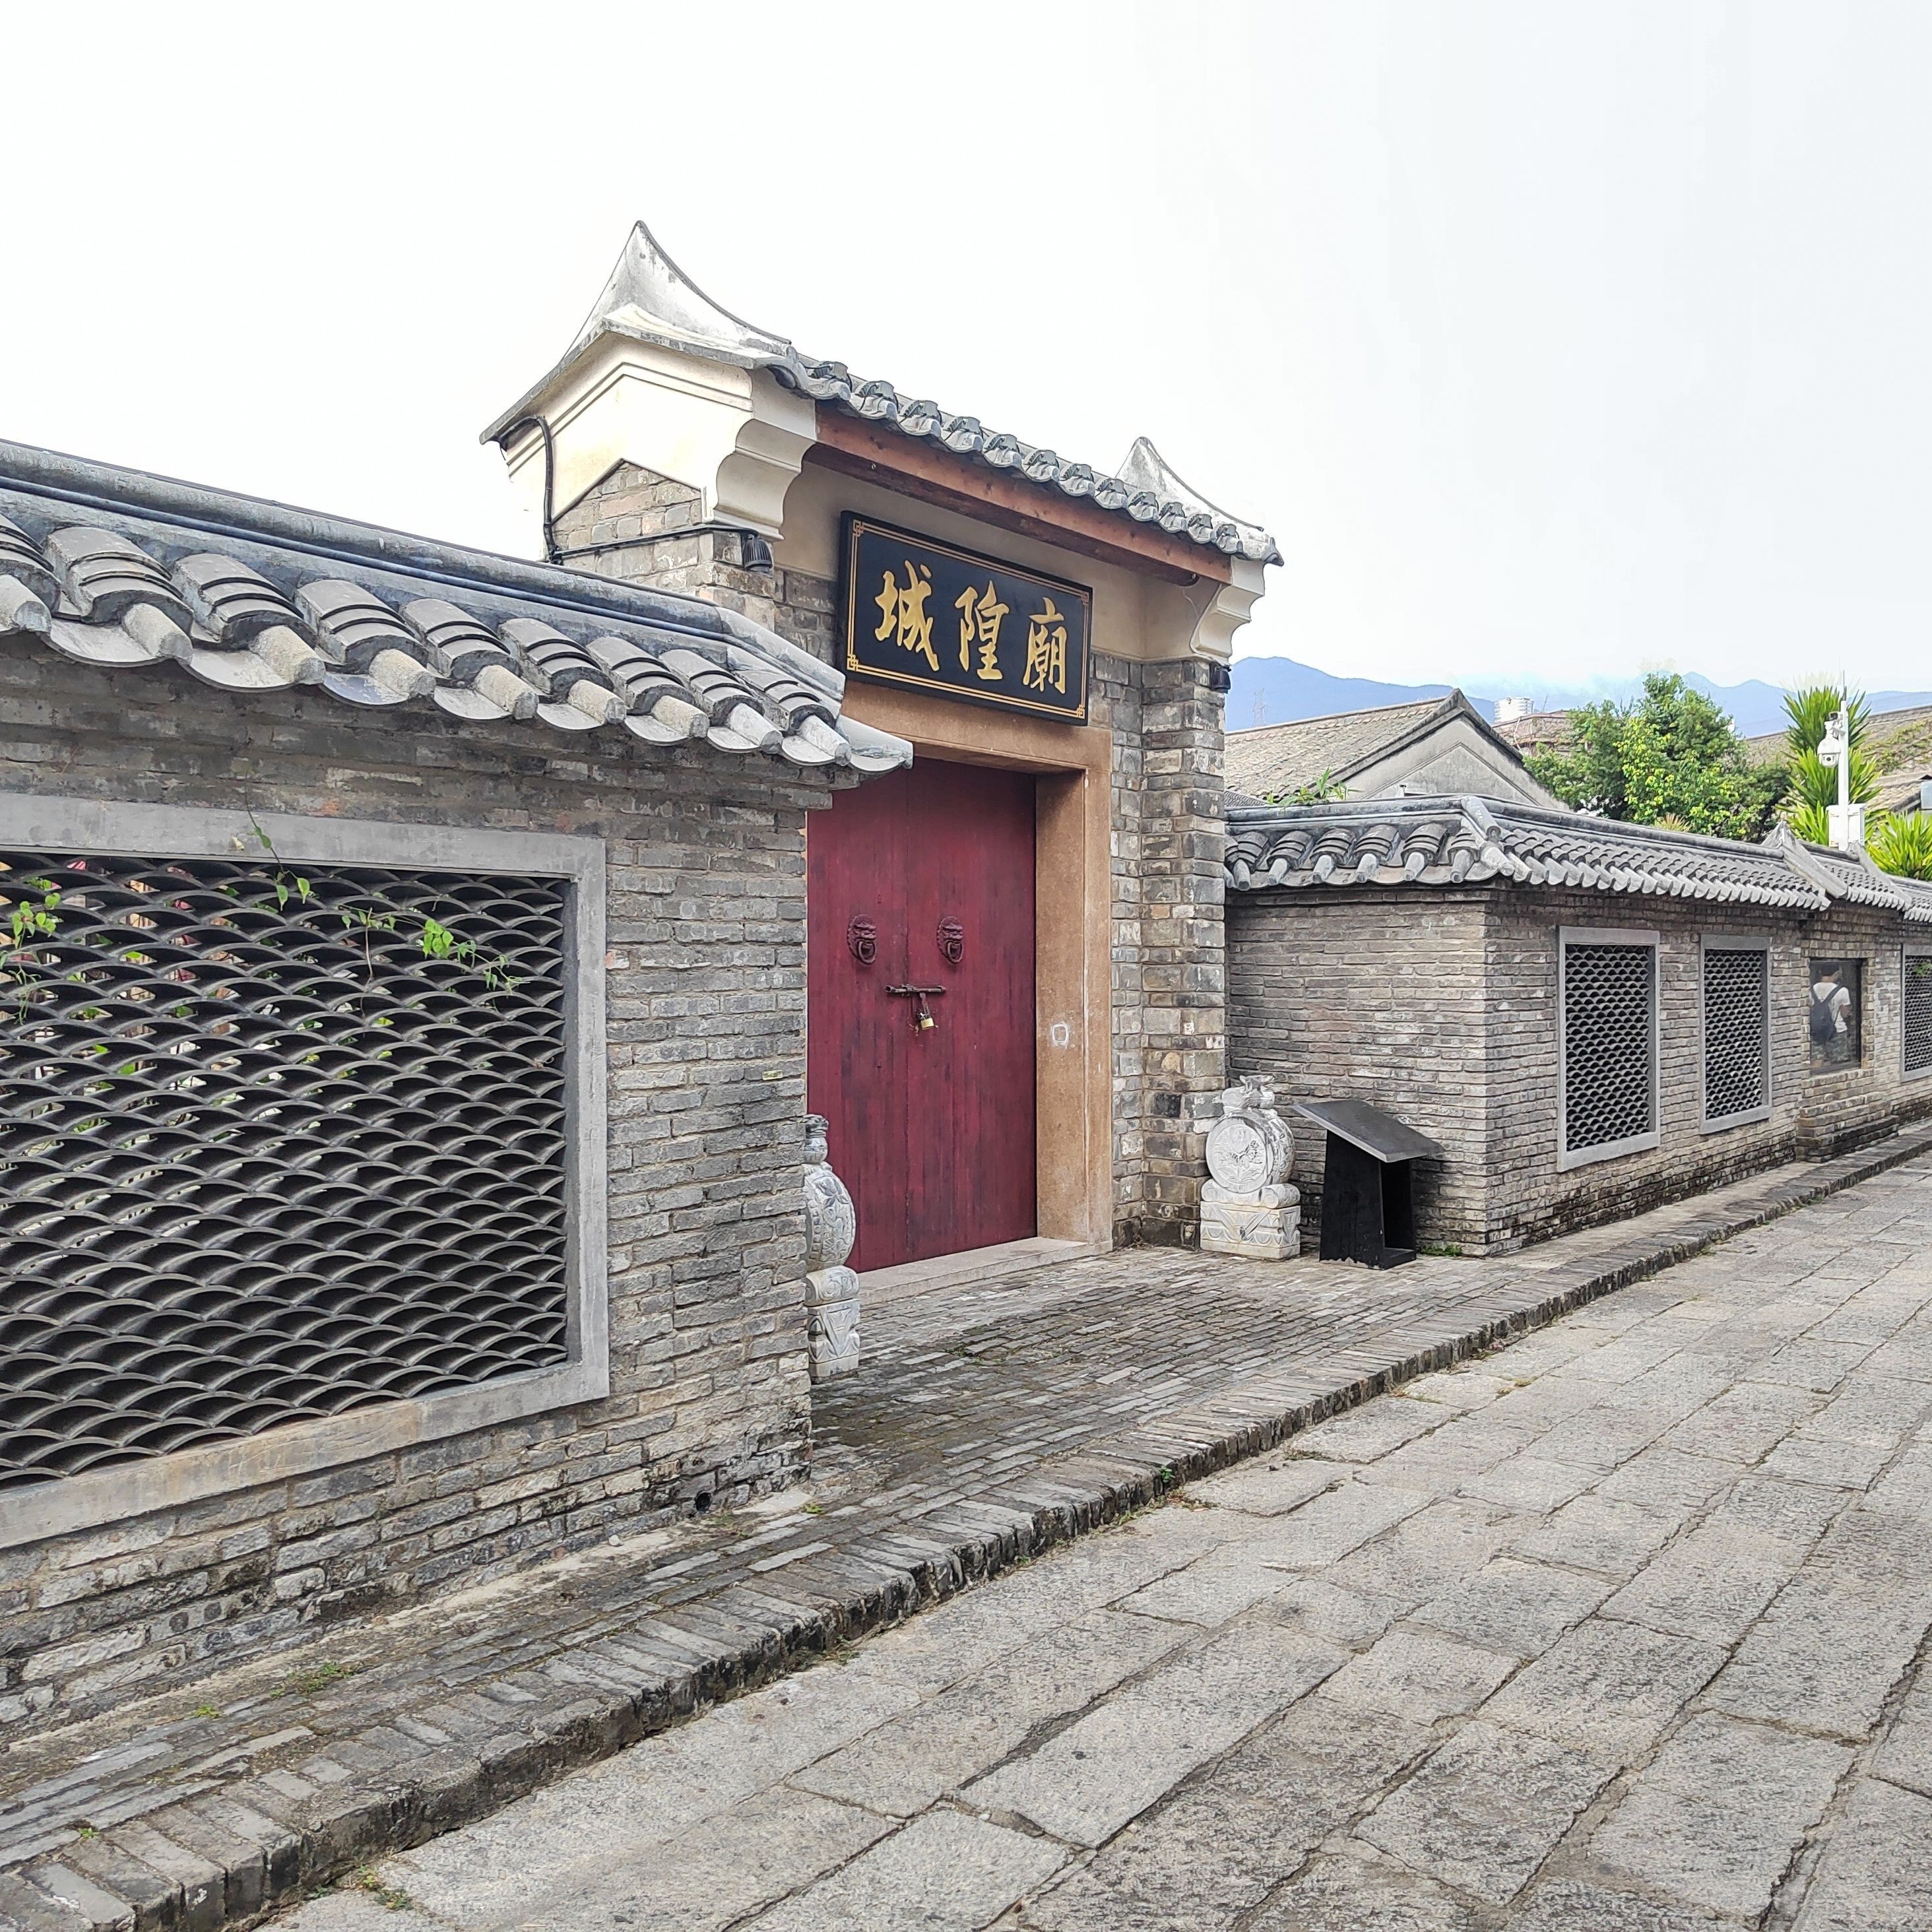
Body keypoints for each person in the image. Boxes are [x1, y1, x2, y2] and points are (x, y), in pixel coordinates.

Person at [1810, 963, 1855, 1066]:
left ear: (1821, 973)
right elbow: (1844, 1014)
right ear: (1836, 974)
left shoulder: (1812, 989)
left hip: (1817, 1030)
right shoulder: (1842, 991)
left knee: (1817, 1060)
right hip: (1837, 1030)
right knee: (1838, 1062)